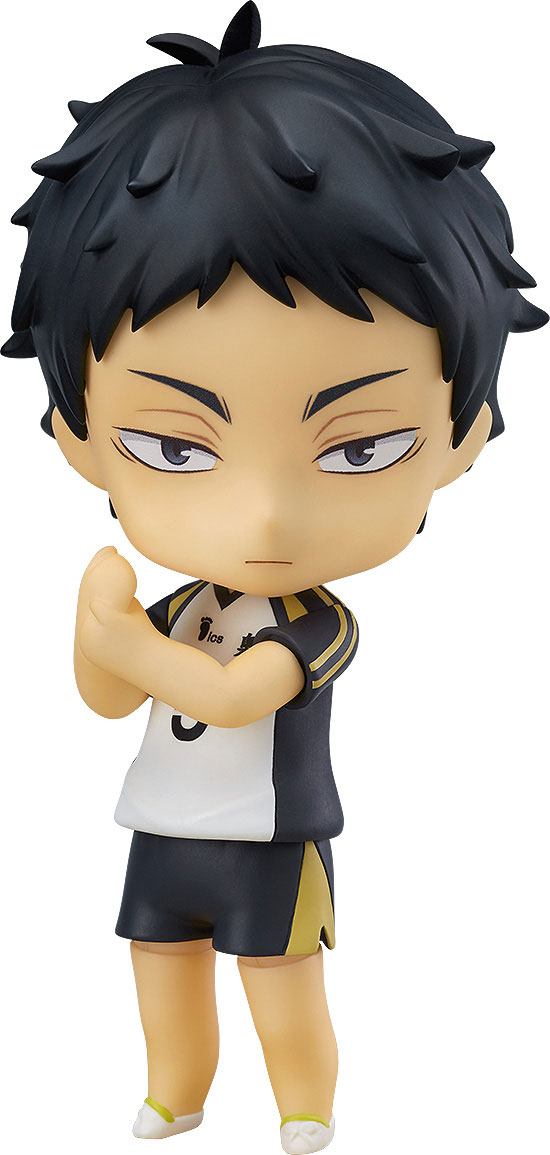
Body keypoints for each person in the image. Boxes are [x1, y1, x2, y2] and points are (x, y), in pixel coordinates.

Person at [2, 3, 546, 1151]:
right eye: (173, 447)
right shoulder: (180, 607)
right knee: (157, 960)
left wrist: (123, 636)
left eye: (359, 448)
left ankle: (303, 1107)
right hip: (161, 826)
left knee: (278, 977)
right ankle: (174, 1092)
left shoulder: (312, 622)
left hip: (270, 844)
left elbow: (230, 692)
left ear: (462, 435)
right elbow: (108, 697)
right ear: (78, 436)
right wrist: (95, 631)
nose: (262, 516)